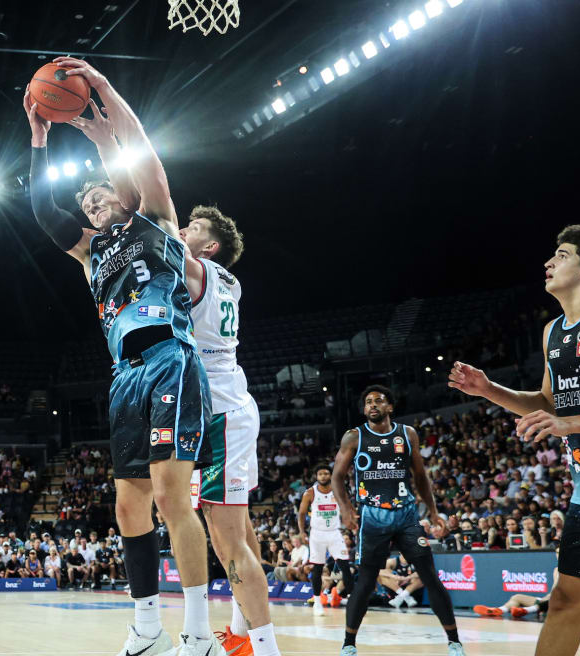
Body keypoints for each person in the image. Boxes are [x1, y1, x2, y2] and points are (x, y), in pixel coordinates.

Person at [72, 86, 278, 656]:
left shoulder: (186, 263)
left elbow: (143, 192)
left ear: (207, 247)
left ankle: (253, 644)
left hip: (214, 402)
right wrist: (106, 143)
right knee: (233, 532)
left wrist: (110, 139)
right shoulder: (226, 281)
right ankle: (241, 632)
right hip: (213, 396)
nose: (180, 229)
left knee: (227, 539)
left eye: (192, 229)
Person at [27, 56, 218, 656]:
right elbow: (43, 212)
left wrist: (105, 94)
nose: (92, 206)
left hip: (169, 357)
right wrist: (38, 140)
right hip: (125, 377)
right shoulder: (90, 254)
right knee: (128, 503)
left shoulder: (155, 219)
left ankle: (199, 633)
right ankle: (146, 627)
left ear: (122, 193)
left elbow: (145, 159)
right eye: (86, 204)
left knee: (169, 497)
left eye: (100, 196)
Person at [449, 225, 580, 655]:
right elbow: (548, 402)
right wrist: (489, 390)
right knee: (565, 600)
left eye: (562, 255)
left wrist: (571, 424)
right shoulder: (552, 332)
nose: (549, 262)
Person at [332, 385, 464, 656]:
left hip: (406, 514)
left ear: (389, 407)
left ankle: (454, 642)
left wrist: (433, 510)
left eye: (378, 400)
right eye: (368, 402)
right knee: (365, 581)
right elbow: (337, 477)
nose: (372, 405)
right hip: (372, 515)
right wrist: (345, 508)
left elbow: (420, 475)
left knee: (430, 576)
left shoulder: (407, 434)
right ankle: (348, 644)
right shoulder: (354, 436)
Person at [297, 464, 352, 615]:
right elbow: (301, 513)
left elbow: (347, 506)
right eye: (320, 474)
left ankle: (353, 600)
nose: (323, 476)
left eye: (326, 473)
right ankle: (317, 601)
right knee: (318, 568)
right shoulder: (310, 493)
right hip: (317, 534)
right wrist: (301, 532)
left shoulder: (338, 490)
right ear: (316, 476)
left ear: (330, 475)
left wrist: (350, 519)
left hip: (334, 533)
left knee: (345, 566)